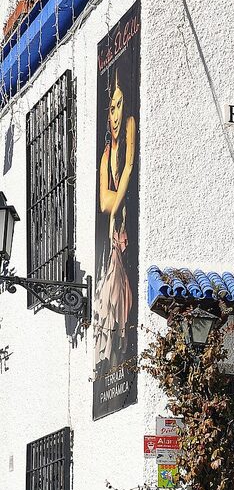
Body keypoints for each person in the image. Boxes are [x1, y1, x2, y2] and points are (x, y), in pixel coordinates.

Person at [94, 60, 137, 370]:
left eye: (120, 105)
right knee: (109, 300)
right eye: (112, 108)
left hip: (120, 237)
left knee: (118, 298)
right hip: (113, 240)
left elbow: (129, 169)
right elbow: (105, 202)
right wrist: (113, 207)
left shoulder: (130, 128)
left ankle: (116, 355)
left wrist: (114, 209)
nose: (116, 114)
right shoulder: (107, 154)